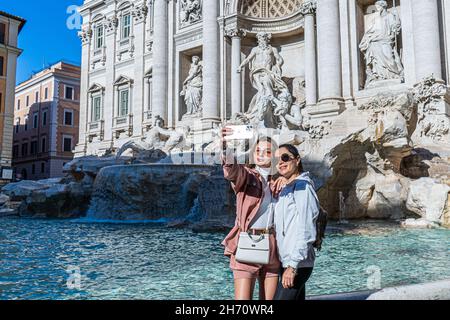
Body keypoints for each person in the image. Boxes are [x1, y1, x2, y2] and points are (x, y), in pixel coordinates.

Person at [220, 127, 281, 300]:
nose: (261, 154)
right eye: (258, 151)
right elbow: (231, 170)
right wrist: (226, 146)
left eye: (267, 151)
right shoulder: (246, 177)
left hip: (273, 247)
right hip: (248, 242)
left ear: (274, 155)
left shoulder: (278, 181)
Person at [273, 144, 320, 301]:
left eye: (285, 157)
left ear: (297, 160)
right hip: (287, 260)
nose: (280, 162)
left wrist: (292, 266)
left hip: (297, 264)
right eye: (277, 159)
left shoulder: (302, 187)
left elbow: (307, 229)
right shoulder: (287, 187)